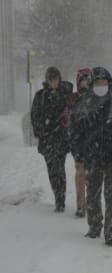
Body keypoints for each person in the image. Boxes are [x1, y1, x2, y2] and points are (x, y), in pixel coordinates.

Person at [73, 67, 112, 245]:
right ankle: (94, 226)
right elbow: (76, 128)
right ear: (92, 84)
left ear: (110, 83)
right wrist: (80, 149)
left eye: (104, 82)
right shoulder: (85, 102)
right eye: (97, 83)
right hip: (93, 155)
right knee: (92, 191)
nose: (101, 86)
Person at [31, 66, 70, 212]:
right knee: (52, 171)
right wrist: (41, 131)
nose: (54, 82)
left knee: (60, 169)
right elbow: (35, 115)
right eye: (51, 79)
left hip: (60, 139)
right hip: (47, 140)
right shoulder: (40, 95)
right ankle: (57, 195)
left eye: (56, 79)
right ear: (47, 80)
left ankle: (61, 200)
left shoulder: (64, 94)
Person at [68, 68, 92, 218]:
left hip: (93, 145)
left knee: (92, 178)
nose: (84, 83)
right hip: (79, 145)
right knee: (80, 177)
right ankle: (80, 205)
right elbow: (70, 122)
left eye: (86, 80)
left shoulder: (96, 98)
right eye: (81, 80)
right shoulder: (74, 100)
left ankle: (91, 203)